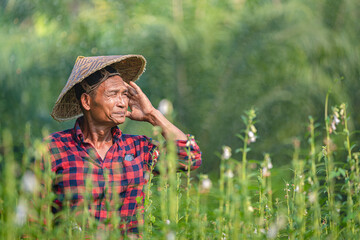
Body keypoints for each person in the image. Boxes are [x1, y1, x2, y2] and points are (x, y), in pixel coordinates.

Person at [45, 55, 202, 234]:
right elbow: (33, 220)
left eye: (125, 95)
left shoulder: (138, 149)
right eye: (113, 94)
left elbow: (191, 157)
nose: (122, 103)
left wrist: (151, 114)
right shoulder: (53, 148)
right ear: (87, 101)